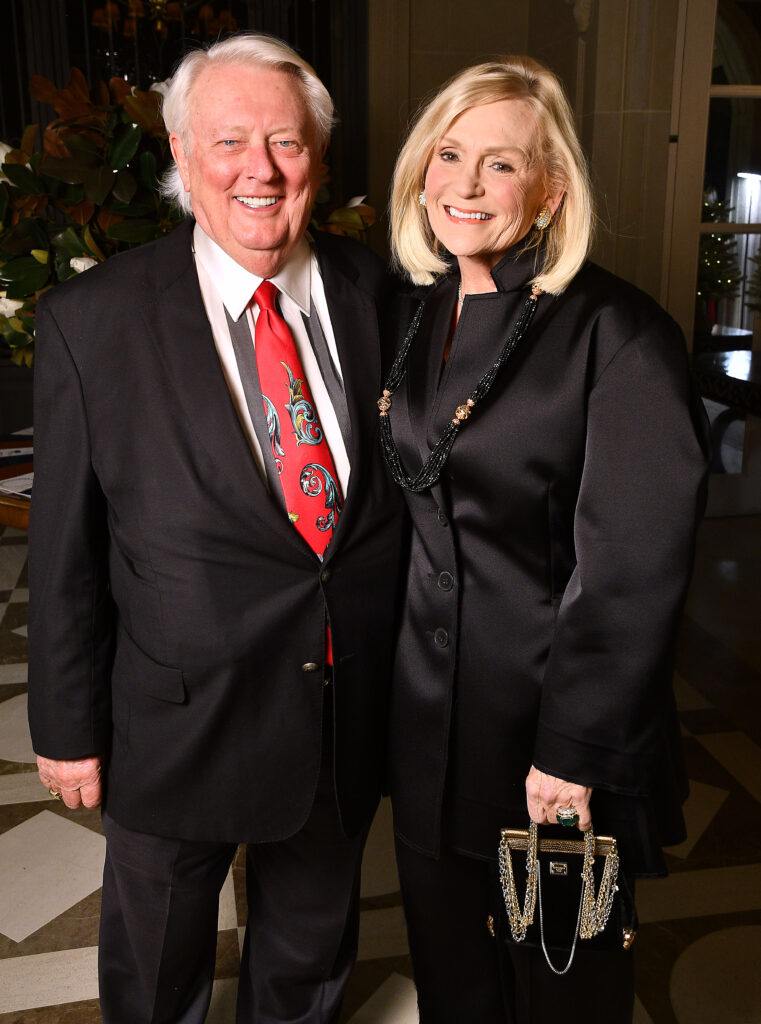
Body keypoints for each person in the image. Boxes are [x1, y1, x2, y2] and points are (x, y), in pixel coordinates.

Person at [27, 33, 404, 1024]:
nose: (258, 170)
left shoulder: (378, 294)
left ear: (316, 156)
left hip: (337, 701)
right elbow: (63, 552)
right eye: (230, 140)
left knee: (310, 947)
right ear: (183, 154)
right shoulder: (92, 320)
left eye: (285, 141)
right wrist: (66, 727)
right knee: (157, 958)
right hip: (176, 716)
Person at [381, 55, 710, 1023]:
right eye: (449, 155)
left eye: (501, 163)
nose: (466, 184)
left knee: (562, 991)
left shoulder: (617, 333)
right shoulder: (416, 312)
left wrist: (571, 750)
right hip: (424, 725)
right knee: (452, 980)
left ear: (550, 189)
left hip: (545, 734)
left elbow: (630, 572)